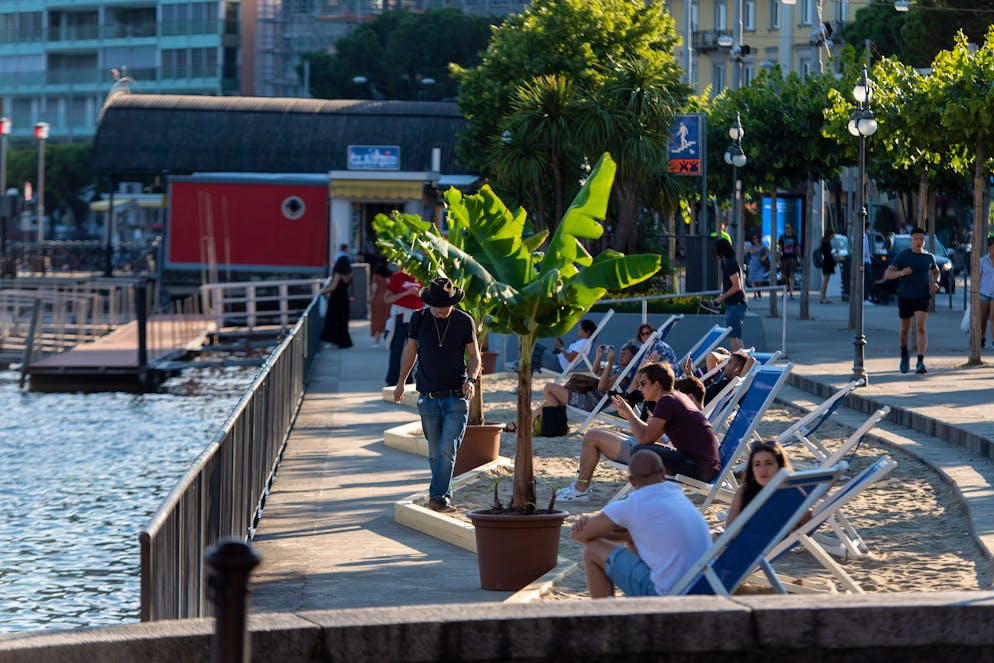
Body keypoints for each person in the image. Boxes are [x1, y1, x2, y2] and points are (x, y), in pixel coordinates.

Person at [555, 362, 720, 502]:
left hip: (697, 468)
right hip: (702, 465)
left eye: (643, 383)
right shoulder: (675, 397)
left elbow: (644, 439)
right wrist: (632, 417)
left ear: (656, 384)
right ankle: (581, 487)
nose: (640, 388)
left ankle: (580, 488)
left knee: (631, 447)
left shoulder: (667, 401)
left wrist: (629, 413)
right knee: (600, 435)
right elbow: (650, 436)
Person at [569, 450, 712, 598]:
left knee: (592, 549)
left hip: (668, 595)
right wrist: (627, 535)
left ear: (631, 480)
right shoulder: (676, 494)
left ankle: (604, 618)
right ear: (663, 473)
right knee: (634, 539)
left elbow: (578, 535)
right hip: (704, 586)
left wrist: (590, 525)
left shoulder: (634, 503)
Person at [394, 278, 481, 513]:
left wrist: (471, 380)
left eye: (448, 304)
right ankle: (442, 494)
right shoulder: (419, 318)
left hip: (456, 395)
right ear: (429, 302)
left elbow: (474, 356)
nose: (444, 309)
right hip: (428, 396)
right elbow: (411, 350)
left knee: (447, 449)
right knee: (435, 453)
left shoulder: (464, 320)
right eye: (439, 305)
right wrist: (401, 382)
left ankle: (438, 497)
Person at [533, 340, 639, 426]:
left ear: (633, 357)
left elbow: (602, 387)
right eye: (621, 353)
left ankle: (557, 425)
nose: (621, 356)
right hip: (586, 396)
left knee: (549, 388)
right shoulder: (617, 369)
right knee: (551, 400)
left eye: (625, 354)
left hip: (588, 401)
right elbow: (595, 371)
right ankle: (524, 423)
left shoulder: (623, 375)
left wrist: (610, 363)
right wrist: (598, 356)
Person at [880, 227, 940, 374]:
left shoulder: (929, 257)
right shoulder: (903, 256)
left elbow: (936, 271)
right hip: (906, 296)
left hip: (923, 296)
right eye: (916, 239)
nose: (919, 241)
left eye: (921, 239)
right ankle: (904, 354)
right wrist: (901, 272)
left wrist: (936, 282)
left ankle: (920, 362)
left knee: (920, 327)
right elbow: (888, 274)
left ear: (924, 241)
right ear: (911, 240)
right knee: (905, 329)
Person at [726, 441, 810, 529]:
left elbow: (805, 524)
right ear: (752, 469)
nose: (763, 470)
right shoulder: (744, 491)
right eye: (757, 464)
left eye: (769, 463)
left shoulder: (792, 493)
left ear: (780, 466)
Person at [383, 270, 423, 386]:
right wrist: (406, 293)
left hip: (417, 318)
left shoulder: (424, 277)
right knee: (396, 350)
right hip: (400, 318)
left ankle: (410, 379)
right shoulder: (398, 276)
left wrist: (420, 293)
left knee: (415, 351)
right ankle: (392, 379)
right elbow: (387, 299)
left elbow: (428, 299)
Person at [711, 238, 746, 351]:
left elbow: (737, 286)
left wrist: (721, 298)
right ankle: (745, 361)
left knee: (731, 336)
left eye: (716, 250)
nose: (715, 253)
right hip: (736, 304)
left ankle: (739, 363)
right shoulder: (727, 262)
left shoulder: (730, 263)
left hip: (736, 304)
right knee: (736, 335)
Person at [320, 252, 353, 348]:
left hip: (336, 299)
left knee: (334, 319)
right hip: (344, 298)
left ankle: (334, 341)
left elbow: (333, 286)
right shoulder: (349, 274)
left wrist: (323, 291)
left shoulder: (338, 273)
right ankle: (343, 341)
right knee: (343, 320)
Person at [369, 258, 392, 348]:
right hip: (389, 300)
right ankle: (388, 341)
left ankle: (376, 342)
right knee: (388, 320)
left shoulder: (376, 276)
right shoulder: (391, 275)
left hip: (378, 300)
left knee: (377, 320)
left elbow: (374, 289)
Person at [778, 223, 801, 299]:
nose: (787, 229)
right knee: (783, 276)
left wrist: (800, 258)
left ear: (791, 229)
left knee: (792, 275)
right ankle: (785, 290)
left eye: (788, 228)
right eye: (786, 228)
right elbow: (780, 249)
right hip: (784, 259)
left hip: (793, 258)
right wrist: (778, 260)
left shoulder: (794, 237)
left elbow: (797, 248)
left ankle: (791, 292)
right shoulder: (782, 237)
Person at [979, 235, 994, 349]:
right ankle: (982, 337)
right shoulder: (983, 261)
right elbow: (978, 278)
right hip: (984, 293)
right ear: (989, 248)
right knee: (983, 317)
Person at [746, 234, 770, 298]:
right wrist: (759, 248)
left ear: (758, 239)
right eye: (753, 238)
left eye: (756, 238)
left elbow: (768, 251)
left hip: (760, 264)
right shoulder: (751, 246)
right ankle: (755, 294)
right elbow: (751, 252)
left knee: (759, 279)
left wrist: (765, 256)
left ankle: (758, 290)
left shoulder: (763, 245)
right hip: (753, 264)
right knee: (753, 279)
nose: (755, 240)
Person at [818, 230, 837, 304]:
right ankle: (822, 297)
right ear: (829, 235)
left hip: (827, 262)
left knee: (825, 281)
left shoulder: (824, 242)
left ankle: (823, 297)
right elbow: (828, 254)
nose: (833, 237)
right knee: (825, 281)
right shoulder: (826, 243)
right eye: (832, 235)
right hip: (827, 263)